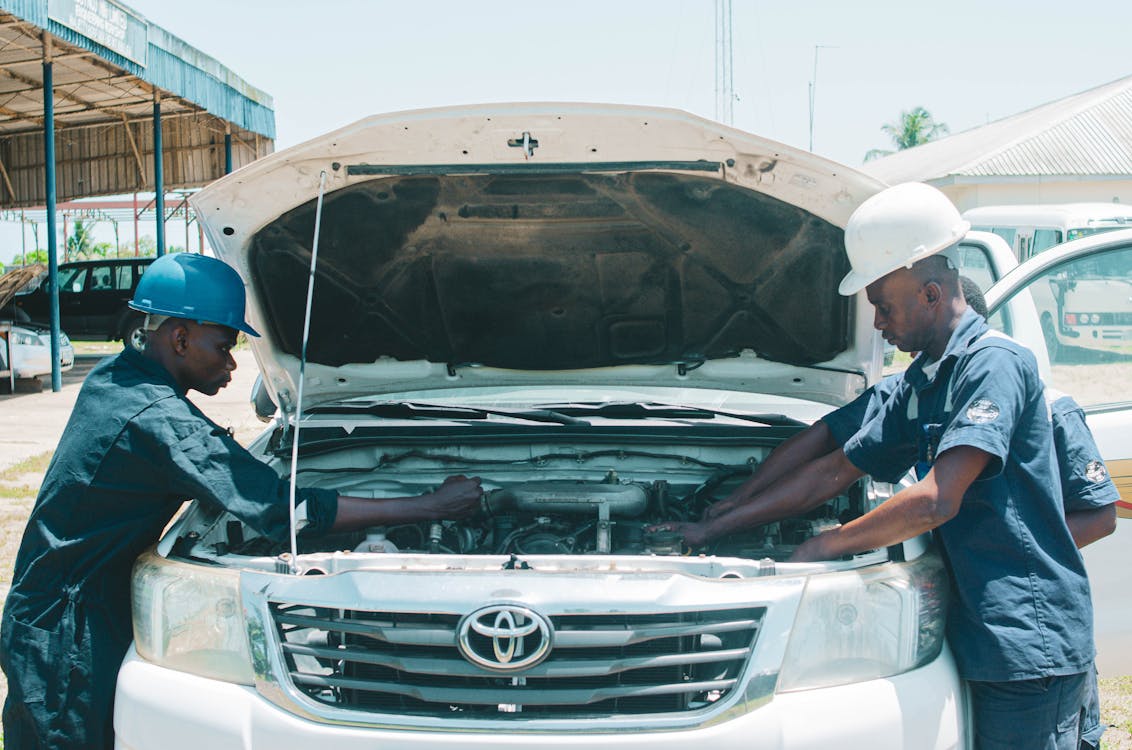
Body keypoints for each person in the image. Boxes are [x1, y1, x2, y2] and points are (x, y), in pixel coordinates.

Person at [668, 182, 1097, 749]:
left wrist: (825, 547)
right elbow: (831, 469)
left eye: (882, 306)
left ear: (931, 294)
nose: (876, 324)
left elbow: (936, 499)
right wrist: (719, 522)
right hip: (980, 631)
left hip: (1025, 635)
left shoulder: (994, 364)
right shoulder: (923, 381)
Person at [0, 253, 485, 750]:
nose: (232, 362)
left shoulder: (117, 378)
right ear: (180, 338)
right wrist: (429, 506)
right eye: (224, 345)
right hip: (67, 633)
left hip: (56, 607)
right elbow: (282, 511)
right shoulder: (160, 420)